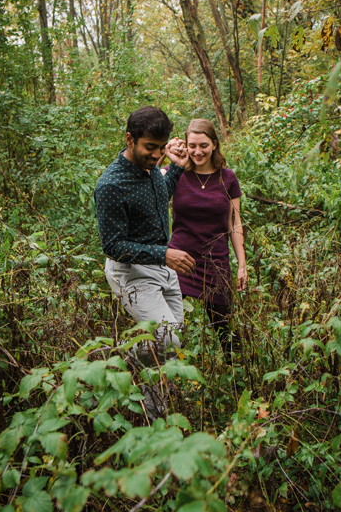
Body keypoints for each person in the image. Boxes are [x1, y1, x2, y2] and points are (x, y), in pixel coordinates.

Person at [95, 106, 195, 362]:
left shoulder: (150, 169)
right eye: (150, 147)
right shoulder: (111, 185)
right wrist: (165, 254)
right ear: (130, 139)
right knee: (167, 340)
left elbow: (158, 197)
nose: (157, 154)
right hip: (131, 271)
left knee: (171, 344)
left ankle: (156, 401)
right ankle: (112, 360)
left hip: (162, 266)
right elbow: (113, 246)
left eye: (161, 148)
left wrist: (176, 168)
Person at [168, 119, 246, 354]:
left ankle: (235, 376)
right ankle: (173, 381)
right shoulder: (175, 173)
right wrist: (166, 155)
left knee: (225, 329)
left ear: (214, 145)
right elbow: (149, 181)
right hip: (179, 260)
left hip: (216, 262)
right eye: (192, 145)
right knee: (171, 328)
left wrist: (242, 264)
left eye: (203, 145)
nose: (197, 151)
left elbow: (235, 222)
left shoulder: (228, 178)